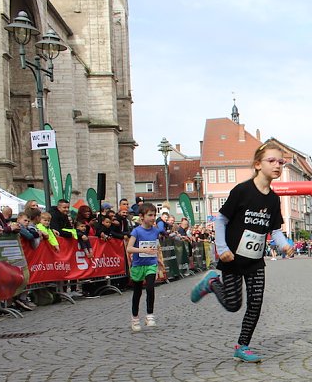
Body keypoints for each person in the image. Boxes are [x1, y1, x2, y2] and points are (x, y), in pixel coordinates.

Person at [190, 142, 294, 362]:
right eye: (272, 161)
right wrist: (222, 248)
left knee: (255, 303)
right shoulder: (242, 190)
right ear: (258, 164)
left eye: (281, 162)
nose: (277, 165)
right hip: (232, 259)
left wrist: (284, 244)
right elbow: (221, 220)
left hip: (255, 261)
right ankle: (211, 283)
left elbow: (274, 230)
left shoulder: (274, 199)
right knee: (233, 305)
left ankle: (242, 345)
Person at [126, 203, 165, 331]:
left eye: (154, 215)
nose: (153, 217)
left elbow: (155, 246)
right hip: (138, 265)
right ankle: (135, 318)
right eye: (150, 215)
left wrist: (159, 259)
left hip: (150, 264)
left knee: (150, 288)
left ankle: (149, 315)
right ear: (142, 217)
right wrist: (142, 250)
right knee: (137, 292)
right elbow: (129, 248)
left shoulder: (155, 231)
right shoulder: (136, 231)